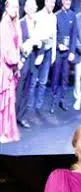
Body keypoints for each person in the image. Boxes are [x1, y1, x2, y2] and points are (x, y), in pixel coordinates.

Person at [16, 0, 40, 129]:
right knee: (18, 89)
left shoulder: (37, 23)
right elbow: (15, 44)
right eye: (29, 7)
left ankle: (22, 117)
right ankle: (12, 117)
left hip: (33, 60)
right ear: (25, 9)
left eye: (34, 7)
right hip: (22, 61)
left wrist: (39, 44)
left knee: (29, 89)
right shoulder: (20, 23)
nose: (32, 9)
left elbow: (41, 40)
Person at [0, 0, 21, 143]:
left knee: (9, 100)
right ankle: (2, 132)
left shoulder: (13, 23)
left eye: (17, 7)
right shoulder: (4, 25)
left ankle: (6, 131)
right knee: (4, 101)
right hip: (5, 68)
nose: (15, 9)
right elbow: (7, 50)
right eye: (12, 7)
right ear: (6, 8)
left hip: (11, 68)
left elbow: (16, 45)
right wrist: (17, 62)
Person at [50, 0, 75, 113]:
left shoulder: (73, 15)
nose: (67, 2)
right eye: (65, 0)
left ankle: (63, 100)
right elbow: (53, 34)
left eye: (69, 0)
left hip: (68, 53)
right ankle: (53, 101)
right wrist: (58, 45)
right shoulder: (56, 16)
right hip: (58, 52)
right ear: (62, 2)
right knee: (55, 77)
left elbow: (74, 35)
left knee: (65, 77)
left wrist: (72, 51)